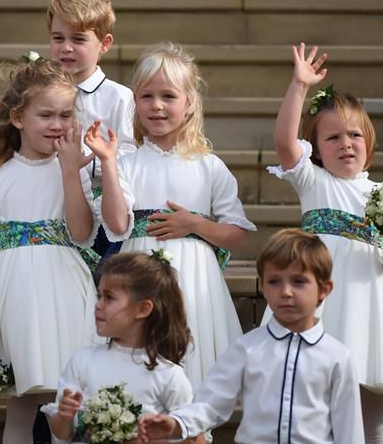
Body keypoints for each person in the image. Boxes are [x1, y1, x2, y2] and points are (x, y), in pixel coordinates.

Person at [265, 43, 383, 443]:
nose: (346, 144)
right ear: (316, 150)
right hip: (327, 305)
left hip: (372, 307)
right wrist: (299, 85)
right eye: (332, 138)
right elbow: (284, 143)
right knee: (316, 412)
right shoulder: (315, 182)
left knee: (370, 416)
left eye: (354, 135)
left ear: (369, 141)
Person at [0, 59, 99, 444]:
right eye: (45, 115)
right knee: (21, 407)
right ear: (19, 118)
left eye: (65, 115)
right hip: (13, 298)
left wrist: (70, 172)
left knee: (70, 400)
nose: (57, 124)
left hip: (64, 292)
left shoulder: (72, 171)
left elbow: (81, 232)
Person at [85, 41, 255, 389]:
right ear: (135, 101)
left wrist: (195, 224)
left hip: (193, 280)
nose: (157, 106)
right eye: (147, 96)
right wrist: (108, 164)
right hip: (137, 274)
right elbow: (117, 226)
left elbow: (238, 235)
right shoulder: (125, 163)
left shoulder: (209, 166)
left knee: (190, 369)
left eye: (169, 96)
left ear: (189, 104)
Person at [139, 229, 364, 444]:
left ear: (324, 289)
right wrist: (178, 423)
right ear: (263, 288)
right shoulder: (247, 348)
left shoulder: (337, 357)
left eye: (298, 281)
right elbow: (210, 403)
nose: (286, 291)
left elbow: (349, 430)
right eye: (274, 282)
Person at [41, 250, 204, 444]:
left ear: (143, 309)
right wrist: (64, 416)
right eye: (98, 296)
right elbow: (62, 434)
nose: (98, 305)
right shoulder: (81, 362)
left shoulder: (168, 375)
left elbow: (195, 438)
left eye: (109, 298)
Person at [47, 0, 135, 257]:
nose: (67, 48)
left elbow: (129, 154)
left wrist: (90, 159)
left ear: (104, 44)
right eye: (58, 38)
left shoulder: (119, 97)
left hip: (100, 211)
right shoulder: (41, 93)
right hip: (51, 203)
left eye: (79, 39)